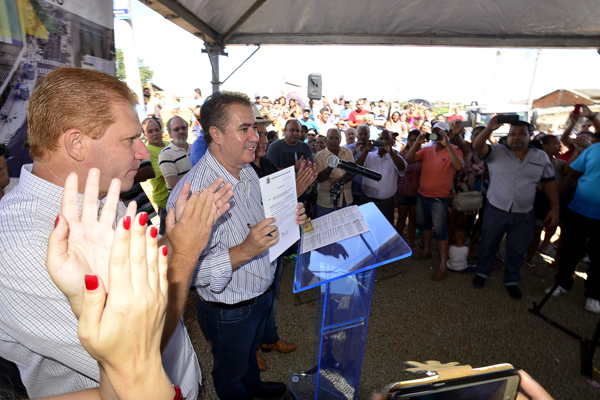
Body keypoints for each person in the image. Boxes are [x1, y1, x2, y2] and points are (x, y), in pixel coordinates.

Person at [0, 67, 233, 399]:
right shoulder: (20, 248)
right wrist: (184, 250)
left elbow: (140, 277)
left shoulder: (100, 198)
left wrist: (173, 237)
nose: (142, 152)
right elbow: (135, 351)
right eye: (129, 139)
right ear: (76, 144)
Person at [167, 91, 307, 400]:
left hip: (260, 294)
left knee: (249, 359)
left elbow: (257, 218)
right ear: (215, 134)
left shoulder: (246, 170)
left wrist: (286, 216)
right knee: (230, 375)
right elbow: (185, 271)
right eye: (244, 128)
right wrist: (244, 250)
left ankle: (255, 388)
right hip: (228, 309)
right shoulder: (192, 194)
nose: (256, 137)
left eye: (255, 128)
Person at [250, 121, 316, 370]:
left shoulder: (264, 163)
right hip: (257, 249)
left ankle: (268, 339)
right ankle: (251, 348)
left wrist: (300, 176)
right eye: (258, 133)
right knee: (256, 299)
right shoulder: (244, 171)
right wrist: (296, 189)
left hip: (274, 243)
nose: (264, 139)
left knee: (272, 295)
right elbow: (261, 211)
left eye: (265, 134)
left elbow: (281, 188)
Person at [471, 116, 559, 299]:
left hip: (524, 213)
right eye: (512, 134)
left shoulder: (541, 157)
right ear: (508, 136)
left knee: (517, 249)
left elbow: (549, 182)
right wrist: (489, 129)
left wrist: (555, 207)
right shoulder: (496, 151)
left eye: (521, 134)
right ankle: (482, 273)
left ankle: (511, 280)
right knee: (488, 243)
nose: (516, 137)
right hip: (496, 209)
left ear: (530, 135)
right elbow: (477, 146)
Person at [405, 121, 464, 281]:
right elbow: (408, 160)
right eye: (435, 132)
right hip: (422, 194)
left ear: (448, 134)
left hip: (440, 198)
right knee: (424, 225)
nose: (436, 135)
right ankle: (426, 252)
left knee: (440, 232)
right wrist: (417, 143)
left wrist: (447, 144)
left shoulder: (455, 149)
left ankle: (443, 266)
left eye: (440, 132)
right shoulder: (427, 149)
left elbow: (459, 166)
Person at [546, 140, 600, 313]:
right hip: (578, 211)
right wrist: (555, 204)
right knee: (570, 250)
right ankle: (562, 283)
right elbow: (572, 175)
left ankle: (594, 294)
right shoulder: (593, 150)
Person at [356, 129, 407, 224]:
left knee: (384, 231)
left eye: (386, 139)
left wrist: (390, 152)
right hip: (366, 201)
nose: (383, 142)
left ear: (392, 142)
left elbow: (402, 168)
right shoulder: (369, 155)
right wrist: (366, 150)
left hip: (385, 203)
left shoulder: (395, 157)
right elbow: (357, 166)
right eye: (381, 139)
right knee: (366, 228)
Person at [315, 128, 355, 217]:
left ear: (340, 140)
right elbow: (319, 179)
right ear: (326, 139)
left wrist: (339, 183)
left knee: (347, 228)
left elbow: (353, 171)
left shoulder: (347, 152)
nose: (333, 141)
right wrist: (330, 166)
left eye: (336, 138)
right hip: (326, 202)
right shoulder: (320, 156)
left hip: (346, 199)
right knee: (325, 229)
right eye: (331, 138)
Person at [142, 118, 171, 234]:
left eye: (157, 130)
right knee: (167, 234)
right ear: (144, 135)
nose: (155, 134)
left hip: (179, 197)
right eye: (150, 131)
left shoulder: (169, 144)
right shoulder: (148, 152)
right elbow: (167, 176)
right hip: (165, 201)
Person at [395, 130, 422, 249]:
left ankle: (411, 243)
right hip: (402, 191)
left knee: (413, 219)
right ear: (408, 140)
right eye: (411, 139)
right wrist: (394, 194)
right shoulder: (401, 154)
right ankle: (396, 243)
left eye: (416, 140)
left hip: (417, 192)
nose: (413, 142)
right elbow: (395, 175)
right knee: (401, 218)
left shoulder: (423, 154)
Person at [159, 116, 192, 190]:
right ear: (170, 133)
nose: (181, 131)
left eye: (183, 128)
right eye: (176, 129)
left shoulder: (194, 148)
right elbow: (175, 187)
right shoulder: (165, 154)